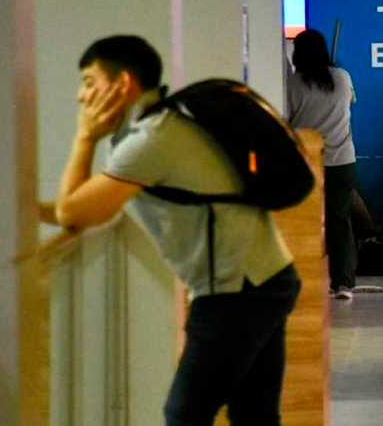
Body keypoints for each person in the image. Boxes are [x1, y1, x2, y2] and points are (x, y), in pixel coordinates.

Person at [52, 35, 300, 425]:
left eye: (88, 82)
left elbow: (73, 214)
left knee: (186, 414)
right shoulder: (163, 126)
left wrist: (84, 136)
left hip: (236, 290)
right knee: (253, 414)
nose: (81, 97)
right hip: (265, 276)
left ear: (123, 83)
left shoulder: (152, 139)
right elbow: (88, 205)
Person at [286, 29, 358, 301]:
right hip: (342, 160)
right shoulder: (342, 77)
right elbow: (351, 102)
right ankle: (343, 283)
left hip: (306, 161)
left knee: (306, 223)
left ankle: (307, 279)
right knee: (340, 221)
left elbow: (286, 119)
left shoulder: (293, 84)